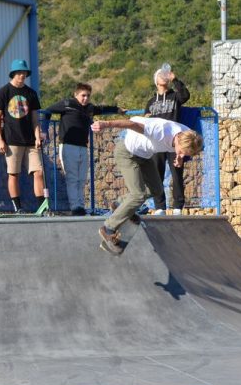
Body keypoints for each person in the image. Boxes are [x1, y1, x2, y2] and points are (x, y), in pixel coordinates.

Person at [91, 116, 203, 254]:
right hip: (127, 153)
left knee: (156, 190)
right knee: (138, 195)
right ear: (178, 140)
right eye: (181, 152)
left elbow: (183, 149)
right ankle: (108, 228)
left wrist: (179, 158)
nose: (180, 154)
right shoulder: (160, 131)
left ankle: (120, 204)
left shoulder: (188, 135)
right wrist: (105, 123)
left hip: (144, 156)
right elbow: (131, 124)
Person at [44, 83, 125, 215]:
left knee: (82, 178)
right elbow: (47, 110)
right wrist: (44, 130)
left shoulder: (89, 108)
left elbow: (102, 109)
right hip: (68, 146)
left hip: (82, 146)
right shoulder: (67, 104)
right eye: (83, 95)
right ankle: (75, 206)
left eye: (88, 96)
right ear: (76, 95)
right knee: (72, 177)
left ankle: (81, 205)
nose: (85, 98)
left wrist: (117, 110)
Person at [0, 58, 46, 214]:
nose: (22, 75)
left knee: (38, 172)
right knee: (14, 173)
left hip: (30, 140)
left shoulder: (31, 93)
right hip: (11, 140)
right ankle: (18, 207)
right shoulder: (4, 92)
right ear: (13, 74)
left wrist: (37, 137)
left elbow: (35, 119)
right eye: (19, 72)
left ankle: (42, 207)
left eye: (24, 73)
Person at [144, 66, 190, 215]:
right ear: (155, 81)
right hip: (156, 143)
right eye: (160, 75)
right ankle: (160, 207)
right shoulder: (151, 101)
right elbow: (146, 119)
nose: (163, 77)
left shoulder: (174, 97)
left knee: (177, 173)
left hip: (172, 142)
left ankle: (177, 206)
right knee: (156, 175)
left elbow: (185, 95)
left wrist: (174, 79)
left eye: (165, 75)